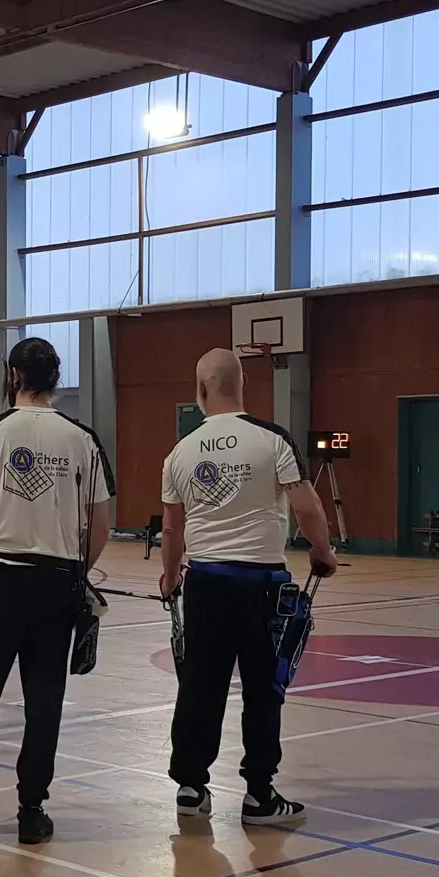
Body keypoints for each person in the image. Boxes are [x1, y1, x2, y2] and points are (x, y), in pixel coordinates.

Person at [158, 348, 338, 826]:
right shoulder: (271, 439)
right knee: (263, 690)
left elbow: (172, 530)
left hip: (205, 586)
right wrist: (323, 551)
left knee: (200, 687)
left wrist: (171, 576)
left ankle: (191, 788)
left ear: (199, 391)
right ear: (243, 386)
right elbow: (307, 506)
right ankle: (260, 795)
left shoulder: (180, 452)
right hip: (262, 587)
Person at [0, 337, 113, 845]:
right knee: (45, 699)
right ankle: (30, 811)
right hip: (55, 585)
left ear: (14, 376)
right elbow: (101, 525)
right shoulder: (82, 438)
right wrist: (71, 567)